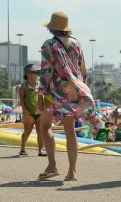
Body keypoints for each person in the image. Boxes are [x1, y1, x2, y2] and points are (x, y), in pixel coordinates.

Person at [37, 11, 95, 181]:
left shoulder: (49, 44)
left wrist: (41, 92)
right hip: (73, 91)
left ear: (52, 28)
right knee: (70, 131)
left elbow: (46, 70)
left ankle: (52, 165)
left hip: (54, 92)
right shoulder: (76, 43)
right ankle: (72, 172)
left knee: (45, 126)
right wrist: (81, 89)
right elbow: (82, 69)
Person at [18, 63, 46, 156]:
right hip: (28, 112)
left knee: (40, 131)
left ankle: (40, 150)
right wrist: (25, 110)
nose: (35, 75)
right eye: (32, 73)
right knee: (27, 131)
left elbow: (43, 98)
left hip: (39, 112)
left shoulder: (40, 85)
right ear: (27, 74)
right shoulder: (24, 86)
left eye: (36, 73)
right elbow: (21, 100)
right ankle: (22, 148)